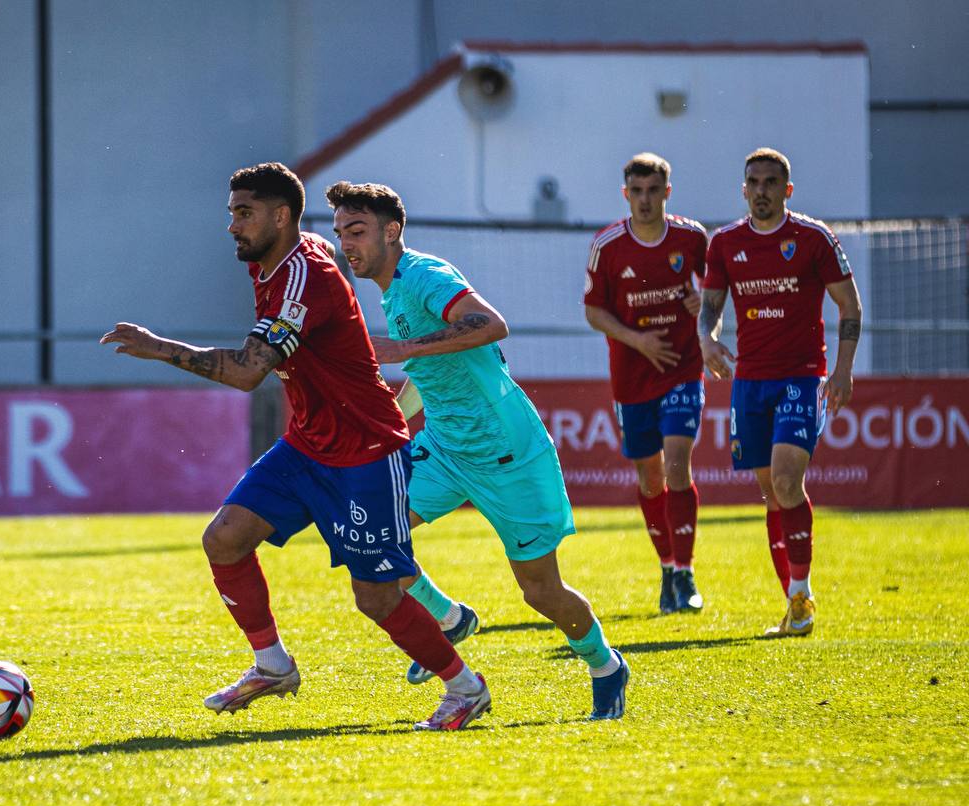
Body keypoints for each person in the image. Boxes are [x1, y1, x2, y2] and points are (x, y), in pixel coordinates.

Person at [100, 162, 491, 731]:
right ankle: (272, 664)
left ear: (279, 216)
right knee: (225, 539)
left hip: (365, 449)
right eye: (231, 212)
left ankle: (465, 687)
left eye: (244, 213)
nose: (232, 226)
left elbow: (245, 374)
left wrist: (160, 348)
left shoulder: (302, 277)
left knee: (377, 598)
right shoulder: (279, 259)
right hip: (308, 444)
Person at [326, 180, 629, 720]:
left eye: (357, 231)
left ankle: (606, 666)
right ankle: (447, 619)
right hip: (444, 447)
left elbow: (491, 324)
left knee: (540, 591)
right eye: (340, 232)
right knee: (370, 536)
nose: (347, 243)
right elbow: (426, 370)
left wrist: (403, 348)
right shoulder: (391, 290)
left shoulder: (422, 275)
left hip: (506, 450)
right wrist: (393, 417)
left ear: (391, 231)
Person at [699, 147, 862, 637]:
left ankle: (801, 596)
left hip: (802, 375)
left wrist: (843, 371)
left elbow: (848, 304)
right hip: (750, 380)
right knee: (772, 494)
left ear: (786, 190)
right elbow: (711, 305)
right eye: (754, 182)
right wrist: (705, 338)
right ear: (743, 188)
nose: (762, 190)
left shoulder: (813, 238)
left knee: (789, 483)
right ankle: (792, 603)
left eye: (772, 182)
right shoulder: (725, 242)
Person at [583, 153, 708, 615]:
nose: (645, 200)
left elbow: (714, 290)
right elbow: (593, 311)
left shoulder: (692, 237)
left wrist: (703, 306)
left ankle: (686, 572)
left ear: (667, 192)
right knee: (650, 478)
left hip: (681, 367)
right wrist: (637, 339)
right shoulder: (608, 245)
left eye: (654, 190)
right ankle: (667, 567)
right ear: (625, 194)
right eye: (637, 192)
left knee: (678, 464)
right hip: (632, 376)